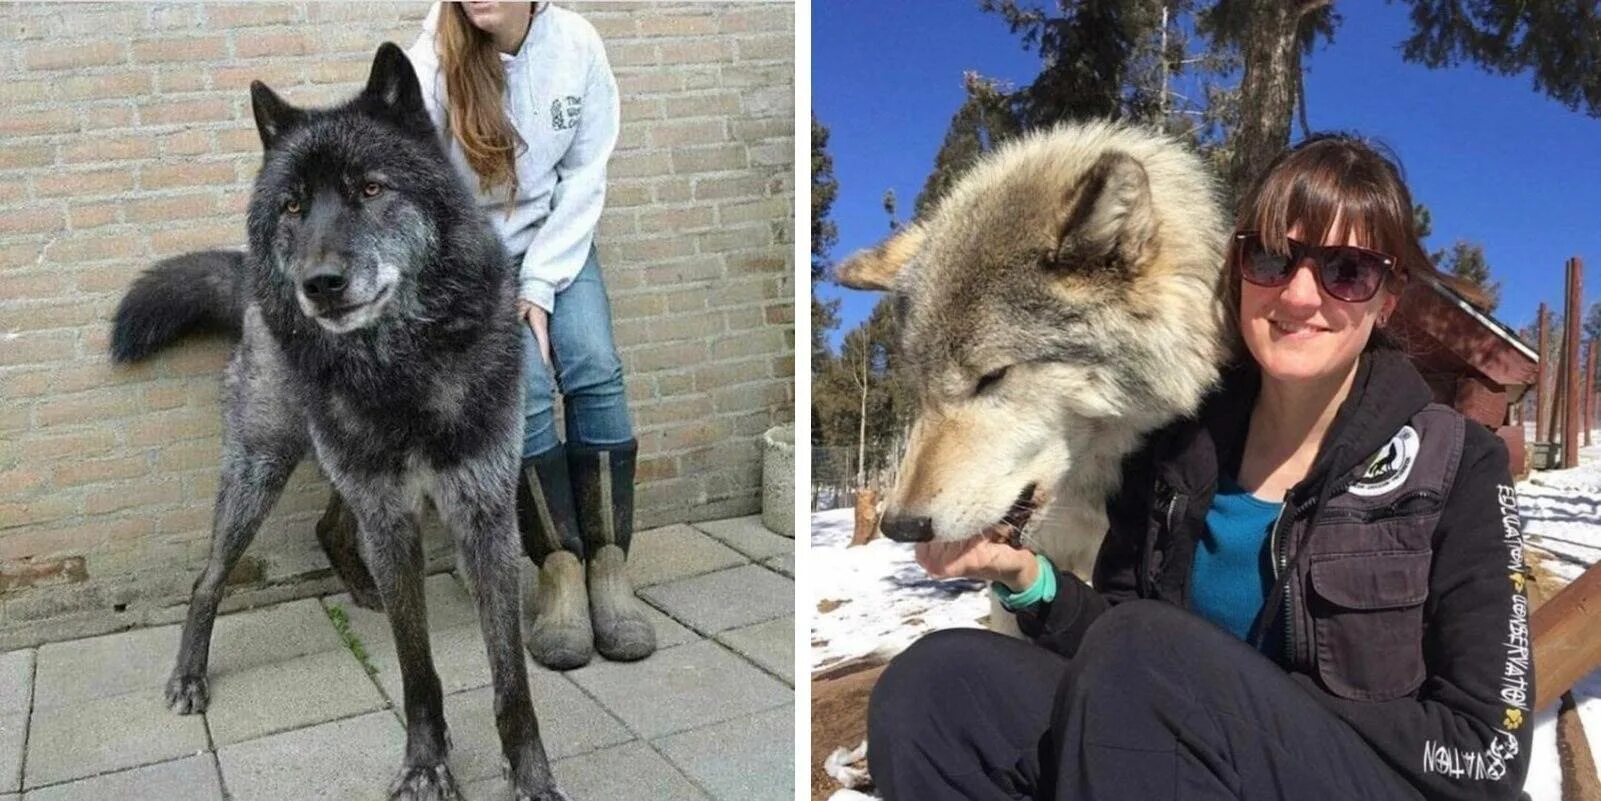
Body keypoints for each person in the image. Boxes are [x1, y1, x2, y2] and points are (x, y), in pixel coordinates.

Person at [867, 134, 1533, 801]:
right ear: (1237, 269)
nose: (1300, 295)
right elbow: (1113, 642)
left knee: (1148, 654)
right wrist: (1026, 578)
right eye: (1270, 257)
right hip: (1173, 756)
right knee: (936, 686)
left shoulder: (1458, 464)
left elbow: (1488, 754)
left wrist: (1233, 707)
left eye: (1347, 270)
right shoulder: (1176, 448)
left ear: (1386, 299)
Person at [403, 1, 653, 670]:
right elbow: (421, 197)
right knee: (528, 393)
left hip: (559, 240)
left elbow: (585, 174)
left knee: (595, 364)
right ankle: (559, 570)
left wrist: (539, 285)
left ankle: (608, 565)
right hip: (471, 258)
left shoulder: (576, 44)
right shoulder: (430, 65)